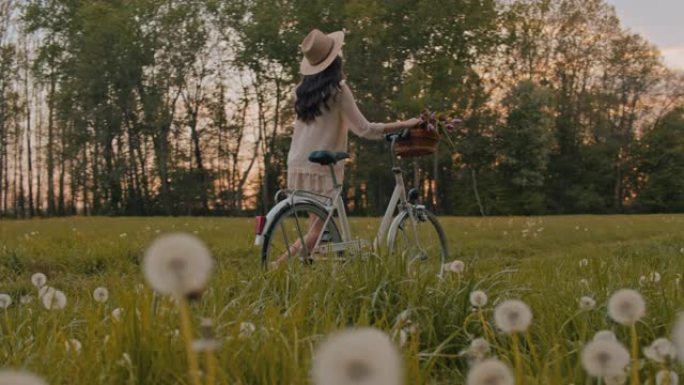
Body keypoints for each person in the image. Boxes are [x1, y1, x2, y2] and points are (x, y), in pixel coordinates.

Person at [275, 29, 420, 266]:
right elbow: (365, 128)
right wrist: (405, 123)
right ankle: (275, 269)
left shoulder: (301, 92)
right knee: (316, 233)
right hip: (321, 168)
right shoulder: (338, 91)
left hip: (299, 164)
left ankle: (317, 273)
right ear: (335, 61)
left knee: (316, 230)